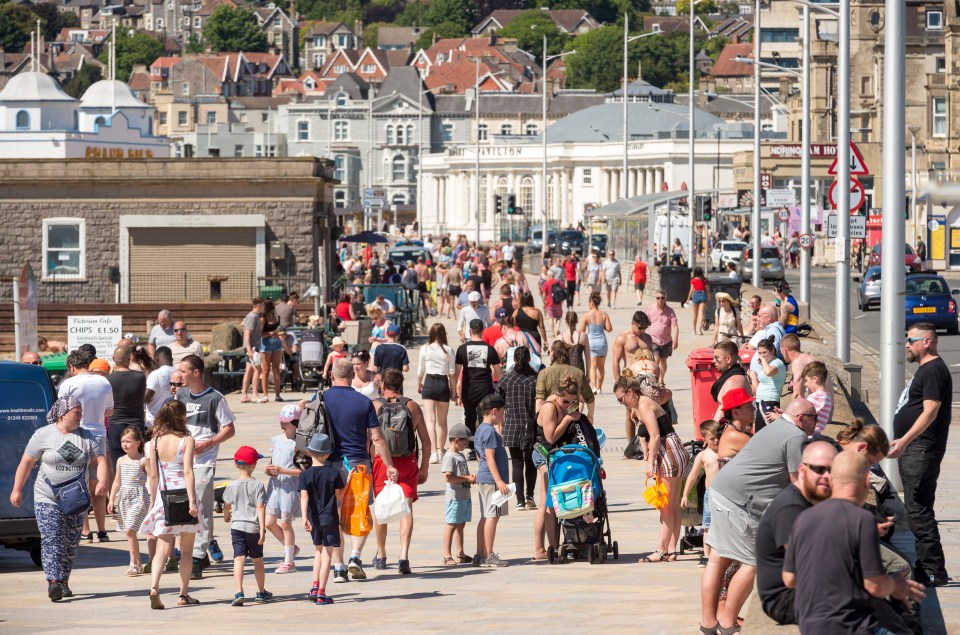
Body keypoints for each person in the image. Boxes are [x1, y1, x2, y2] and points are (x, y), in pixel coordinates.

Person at [699, 398, 817, 635]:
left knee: (719, 557)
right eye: (815, 418)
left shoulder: (776, 426)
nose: (818, 422)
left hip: (722, 490)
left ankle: (709, 622)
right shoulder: (796, 437)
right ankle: (727, 622)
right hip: (739, 501)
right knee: (752, 562)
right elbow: (798, 484)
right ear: (801, 419)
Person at [783, 452, 926, 634]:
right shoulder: (860, 519)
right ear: (866, 481)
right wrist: (894, 585)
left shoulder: (803, 517)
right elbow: (874, 584)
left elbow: (790, 579)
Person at [10, 396, 108, 601]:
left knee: (70, 542)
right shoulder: (43, 434)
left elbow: (101, 461)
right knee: (51, 539)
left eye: (81, 412)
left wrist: (101, 481)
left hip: (76, 498)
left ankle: (63, 581)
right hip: (47, 496)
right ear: (63, 414)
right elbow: (26, 463)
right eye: (77, 412)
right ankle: (53, 581)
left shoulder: (86, 436)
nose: (81, 415)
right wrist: (17, 489)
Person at [889, 322, 952, 587]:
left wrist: (905, 440)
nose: (907, 345)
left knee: (918, 509)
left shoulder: (934, 370)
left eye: (911, 340)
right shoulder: (926, 370)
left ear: (927, 341)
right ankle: (925, 566)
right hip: (916, 448)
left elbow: (930, 411)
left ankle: (933, 569)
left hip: (921, 448)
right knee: (917, 508)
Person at [323, 358, 398, 582]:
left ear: (332, 375)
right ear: (352, 374)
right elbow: (377, 438)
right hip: (359, 463)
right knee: (361, 512)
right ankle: (355, 557)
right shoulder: (364, 401)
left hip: (330, 463)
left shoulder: (321, 398)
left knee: (335, 515)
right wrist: (389, 465)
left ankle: (338, 566)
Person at [755, 438, 838, 626]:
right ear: (802, 470)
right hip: (784, 599)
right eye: (819, 469)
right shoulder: (791, 508)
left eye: (832, 470)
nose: (826, 475)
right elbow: (805, 568)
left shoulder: (812, 498)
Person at [614, 370, 687, 562]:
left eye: (621, 399)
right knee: (672, 506)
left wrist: (650, 463)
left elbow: (655, 435)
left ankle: (661, 550)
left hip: (667, 452)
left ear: (630, 392)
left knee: (665, 506)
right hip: (674, 448)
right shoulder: (642, 404)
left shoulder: (644, 404)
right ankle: (671, 549)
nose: (621, 403)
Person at [176, 354, 237, 579]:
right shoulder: (181, 394)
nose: (179, 375)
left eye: (183, 371)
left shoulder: (215, 398)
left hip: (204, 461)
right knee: (186, 508)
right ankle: (197, 553)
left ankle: (197, 556)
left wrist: (209, 443)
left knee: (199, 506)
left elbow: (229, 428)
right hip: (182, 461)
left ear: (196, 373)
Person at [140, 400, 201, 609]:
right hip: (184, 495)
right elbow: (188, 472)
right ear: (181, 417)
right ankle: (183, 594)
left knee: (161, 550)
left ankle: (155, 587)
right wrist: (192, 501)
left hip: (163, 498)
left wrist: (152, 503)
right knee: (186, 551)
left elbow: (154, 476)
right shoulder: (186, 440)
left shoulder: (154, 443)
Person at [371, 369, 431, 574]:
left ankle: (380, 553)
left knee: (381, 508)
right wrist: (424, 467)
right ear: (400, 385)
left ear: (383, 386)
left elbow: (370, 440)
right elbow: (426, 440)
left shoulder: (376, 405)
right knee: (406, 509)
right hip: (407, 461)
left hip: (382, 462)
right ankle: (404, 556)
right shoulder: (412, 406)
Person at [58, 349, 114, 542]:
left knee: (77, 484)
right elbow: (109, 411)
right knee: (98, 485)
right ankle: (102, 530)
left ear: (72, 367)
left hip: (74, 437)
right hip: (98, 435)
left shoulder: (68, 384)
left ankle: (85, 531)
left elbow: (61, 414)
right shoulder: (103, 381)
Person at [298, 433, 345, 606]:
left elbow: (304, 498)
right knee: (327, 555)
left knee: (318, 552)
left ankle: (314, 586)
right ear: (327, 454)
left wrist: (304, 517)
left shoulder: (305, 475)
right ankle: (322, 593)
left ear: (310, 452)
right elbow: (339, 495)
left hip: (313, 519)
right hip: (330, 518)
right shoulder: (333, 473)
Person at [222, 446, 273, 606]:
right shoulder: (257, 486)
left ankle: (239, 592)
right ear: (254, 465)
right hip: (253, 528)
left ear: (236, 464)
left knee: (239, 559)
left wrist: (226, 516)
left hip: (237, 527)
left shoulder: (232, 485)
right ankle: (261, 592)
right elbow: (261, 507)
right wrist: (263, 529)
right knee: (257, 560)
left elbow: (226, 504)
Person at [495, 346, 538, 512]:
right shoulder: (534, 379)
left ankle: (519, 501)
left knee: (517, 463)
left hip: (512, 425)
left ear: (513, 359)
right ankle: (530, 497)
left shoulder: (505, 380)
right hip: (530, 425)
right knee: (531, 462)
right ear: (528, 359)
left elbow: (498, 404)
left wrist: (500, 424)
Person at [107, 426, 151, 576]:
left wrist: (153, 499)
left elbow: (153, 479)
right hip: (124, 498)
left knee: (130, 530)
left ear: (138, 443)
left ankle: (133, 563)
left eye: (128, 441)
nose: (125, 444)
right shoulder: (121, 460)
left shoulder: (143, 461)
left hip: (139, 497)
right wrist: (112, 498)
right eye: (123, 441)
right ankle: (138, 563)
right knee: (129, 532)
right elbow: (117, 481)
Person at [263, 404, 302, 574]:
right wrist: (268, 469)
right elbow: (273, 461)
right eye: (282, 421)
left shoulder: (299, 444)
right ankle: (291, 548)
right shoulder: (276, 440)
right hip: (275, 485)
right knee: (269, 522)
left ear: (296, 423)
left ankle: (289, 561)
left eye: (287, 421)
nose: (283, 424)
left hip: (289, 487)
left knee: (286, 523)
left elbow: (302, 470)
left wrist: (282, 470)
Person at [473, 394, 511, 567]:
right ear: (494, 411)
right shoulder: (488, 431)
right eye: (502, 411)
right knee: (492, 517)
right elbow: (489, 457)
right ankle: (488, 554)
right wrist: (500, 481)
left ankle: (479, 554)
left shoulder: (481, 428)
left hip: (484, 478)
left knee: (485, 517)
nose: (503, 415)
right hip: (491, 480)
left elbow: (480, 457)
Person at [455, 319, 502, 452]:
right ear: (483, 330)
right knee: (484, 419)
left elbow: (456, 372)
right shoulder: (490, 349)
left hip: (468, 389)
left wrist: (454, 390)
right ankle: (483, 446)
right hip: (485, 390)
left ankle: (471, 448)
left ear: (470, 331)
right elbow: (499, 373)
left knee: (469, 418)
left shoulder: (462, 349)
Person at [681, 419, 721, 567]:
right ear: (704, 440)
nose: (716, 440)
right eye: (712, 439)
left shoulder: (726, 451)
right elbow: (692, 475)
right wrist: (685, 494)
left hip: (725, 494)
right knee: (707, 525)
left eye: (718, 437)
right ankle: (706, 555)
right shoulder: (704, 455)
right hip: (710, 494)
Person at [417, 323, 456, 465]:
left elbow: (420, 370)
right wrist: (454, 392)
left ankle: (433, 452)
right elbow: (452, 374)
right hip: (442, 383)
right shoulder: (449, 350)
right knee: (442, 421)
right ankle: (440, 450)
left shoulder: (425, 349)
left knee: (430, 420)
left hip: (429, 381)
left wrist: (419, 384)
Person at [441, 424, 476, 566]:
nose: (466, 444)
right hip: (454, 497)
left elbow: (460, 475)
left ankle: (460, 552)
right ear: (456, 440)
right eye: (465, 441)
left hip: (464, 495)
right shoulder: (449, 457)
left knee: (461, 524)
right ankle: (447, 555)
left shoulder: (460, 455)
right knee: (451, 525)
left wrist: (468, 477)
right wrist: (466, 478)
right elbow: (448, 477)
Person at [535, 339, 596, 420]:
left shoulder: (544, 373)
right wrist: (590, 416)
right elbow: (590, 398)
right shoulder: (578, 373)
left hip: (551, 417)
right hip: (572, 418)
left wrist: (539, 422)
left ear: (552, 353)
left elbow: (540, 401)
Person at [107, 346, 147, 465]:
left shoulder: (108, 380)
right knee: (137, 463)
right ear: (129, 358)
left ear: (113, 358)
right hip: (135, 424)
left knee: (118, 464)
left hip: (115, 424)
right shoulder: (140, 378)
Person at [749, 337, 787, 431]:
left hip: (769, 400)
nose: (762, 355)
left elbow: (769, 372)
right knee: (759, 430)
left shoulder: (777, 363)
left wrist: (762, 360)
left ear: (772, 350)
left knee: (765, 431)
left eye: (764, 352)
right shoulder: (768, 363)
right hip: (761, 401)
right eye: (760, 353)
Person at [645, 290, 679, 383]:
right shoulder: (650, 309)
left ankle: (661, 378)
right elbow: (644, 322)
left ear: (665, 299)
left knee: (663, 361)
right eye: (658, 298)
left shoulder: (670, 311)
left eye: (662, 298)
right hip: (653, 340)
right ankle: (655, 380)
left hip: (666, 341)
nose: (660, 300)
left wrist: (675, 339)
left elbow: (675, 325)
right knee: (656, 360)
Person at [581, 292, 612, 393]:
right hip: (602, 342)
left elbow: (582, 331)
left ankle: (593, 387)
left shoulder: (586, 316)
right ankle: (599, 388)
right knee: (601, 367)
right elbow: (609, 329)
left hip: (591, 343)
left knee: (592, 366)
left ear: (591, 302)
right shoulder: (604, 315)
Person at [612, 310, 654, 383]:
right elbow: (615, 361)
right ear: (633, 323)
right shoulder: (622, 338)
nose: (643, 330)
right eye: (640, 328)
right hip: (630, 376)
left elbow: (652, 360)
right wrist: (618, 382)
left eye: (645, 328)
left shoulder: (648, 338)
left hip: (646, 377)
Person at [240, 298, 265, 403]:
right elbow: (247, 333)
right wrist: (250, 349)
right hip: (252, 348)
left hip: (252, 347)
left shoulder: (254, 316)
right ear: (258, 305)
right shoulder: (252, 317)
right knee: (257, 370)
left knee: (249, 370)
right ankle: (254, 395)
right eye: (263, 305)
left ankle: (244, 395)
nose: (264, 307)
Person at [259, 300, 284, 402]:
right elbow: (260, 334)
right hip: (266, 344)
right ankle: (265, 395)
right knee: (265, 369)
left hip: (276, 343)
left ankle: (277, 394)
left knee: (276, 369)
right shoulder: (262, 318)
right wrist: (269, 333)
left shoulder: (275, 316)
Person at [144, 346, 174, 429]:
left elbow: (146, 398)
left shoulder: (155, 374)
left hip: (155, 423)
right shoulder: (179, 372)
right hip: (174, 421)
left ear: (157, 359)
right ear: (172, 359)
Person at [801, 361, 833, 433]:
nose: (805, 384)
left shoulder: (815, 397)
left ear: (815, 379)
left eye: (806, 380)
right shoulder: (826, 397)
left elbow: (801, 416)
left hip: (808, 434)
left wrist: (784, 416)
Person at [561, 310, 589, 378]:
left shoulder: (560, 337)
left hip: (565, 371)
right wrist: (588, 374)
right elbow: (588, 358)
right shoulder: (583, 336)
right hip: (579, 369)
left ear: (566, 321)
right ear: (577, 321)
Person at [686, 267, 711, 336]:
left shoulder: (693, 280)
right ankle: (699, 330)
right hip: (703, 295)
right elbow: (708, 290)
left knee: (695, 314)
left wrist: (688, 299)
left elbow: (691, 291)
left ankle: (694, 330)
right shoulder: (704, 280)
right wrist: (709, 298)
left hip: (696, 295)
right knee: (701, 314)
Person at [541, 274, 564, 338]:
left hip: (549, 303)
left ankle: (552, 332)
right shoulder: (559, 282)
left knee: (551, 318)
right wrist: (562, 301)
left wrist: (544, 302)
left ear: (549, 276)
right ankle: (557, 329)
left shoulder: (546, 283)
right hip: (558, 303)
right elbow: (562, 292)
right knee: (558, 317)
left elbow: (544, 294)